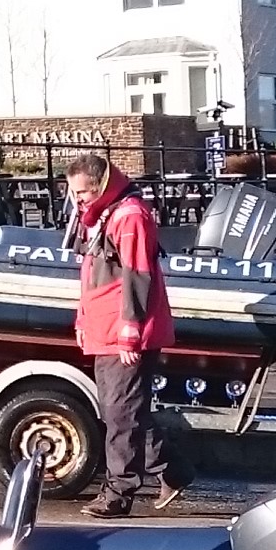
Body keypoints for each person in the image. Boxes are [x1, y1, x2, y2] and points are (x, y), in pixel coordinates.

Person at [64, 151, 178, 516]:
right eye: (74, 193)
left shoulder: (129, 216)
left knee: (121, 413)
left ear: (99, 187)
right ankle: (173, 469)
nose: (77, 200)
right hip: (107, 328)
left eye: (82, 192)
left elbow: (137, 275)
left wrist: (131, 332)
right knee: (125, 409)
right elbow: (96, 278)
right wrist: (84, 321)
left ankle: (119, 492)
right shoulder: (105, 216)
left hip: (122, 332)